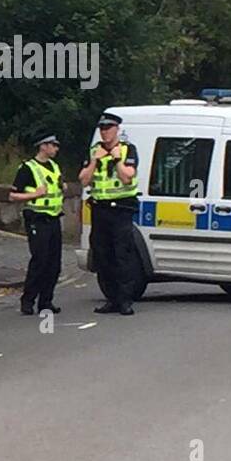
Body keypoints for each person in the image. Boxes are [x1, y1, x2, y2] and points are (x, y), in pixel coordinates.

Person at [78, 112, 142, 315]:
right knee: (103, 256)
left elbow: (127, 177)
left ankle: (125, 301)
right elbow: (84, 180)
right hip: (100, 210)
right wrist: (95, 162)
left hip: (121, 210)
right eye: (102, 129)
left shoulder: (127, 149)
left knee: (122, 255)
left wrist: (116, 160)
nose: (104, 132)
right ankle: (111, 299)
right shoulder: (93, 151)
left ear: (117, 129)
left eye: (108, 128)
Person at [9, 133, 64, 316]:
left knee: (54, 264)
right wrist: (34, 195)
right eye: (53, 145)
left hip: (54, 218)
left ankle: (46, 301)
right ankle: (28, 300)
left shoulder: (54, 166)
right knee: (39, 261)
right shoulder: (27, 168)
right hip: (37, 219)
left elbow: (56, 187)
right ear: (43, 146)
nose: (56, 149)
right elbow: (13, 196)